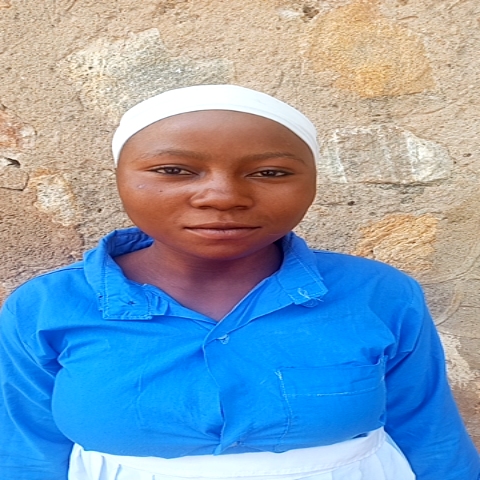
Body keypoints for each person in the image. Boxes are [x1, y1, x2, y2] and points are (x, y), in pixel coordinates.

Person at [0, 84, 478, 480]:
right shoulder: (47, 307)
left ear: (312, 181)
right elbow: (28, 450)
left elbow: (429, 434)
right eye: (174, 170)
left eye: (269, 172)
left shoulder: (379, 294)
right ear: (121, 178)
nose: (223, 196)